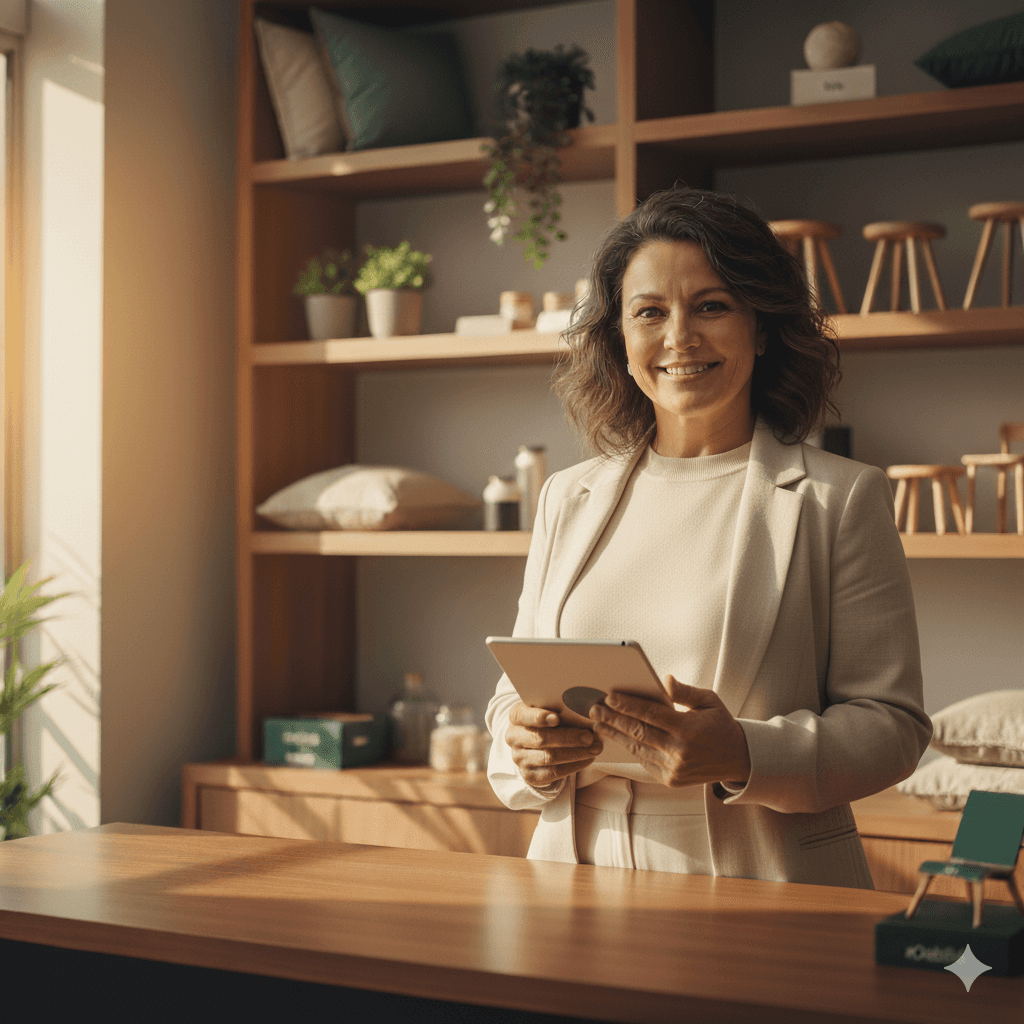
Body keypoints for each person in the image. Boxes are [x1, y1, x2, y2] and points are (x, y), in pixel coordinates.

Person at [485, 185, 931, 888]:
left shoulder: (840, 498)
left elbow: (893, 727)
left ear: (761, 326)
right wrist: (522, 749)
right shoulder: (567, 498)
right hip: (572, 878)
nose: (679, 338)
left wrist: (743, 754)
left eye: (711, 306)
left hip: (759, 876)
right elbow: (515, 696)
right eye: (649, 313)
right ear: (619, 338)